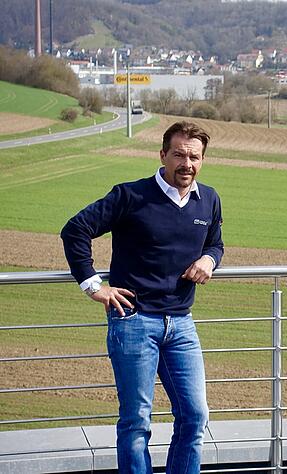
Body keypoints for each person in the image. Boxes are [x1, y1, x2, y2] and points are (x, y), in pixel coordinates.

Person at [61, 121, 223, 474]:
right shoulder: (130, 196)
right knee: (136, 420)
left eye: (194, 157)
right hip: (133, 321)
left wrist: (209, 260)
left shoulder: (209, 199)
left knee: (195, 415)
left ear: (203, 160)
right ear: (162, 155)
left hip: (181, 323)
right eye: (178, 155)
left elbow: (215, 242)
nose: (186, 164)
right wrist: (94, 286)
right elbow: (75, 230)